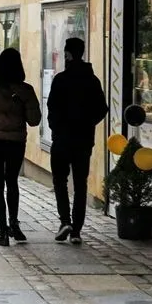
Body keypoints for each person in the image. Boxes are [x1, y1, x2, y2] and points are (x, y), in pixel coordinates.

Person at [0, 48, 41, 247]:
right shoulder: (26, 90)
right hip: (15, 142)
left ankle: (3, 232)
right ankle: (14, 223)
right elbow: (34, 120)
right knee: (12, 182)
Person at [47, 37, 108, 245]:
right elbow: (102, 108)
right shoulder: (92, 80)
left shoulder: (60, 80)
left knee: (60, 181)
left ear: (68, 54)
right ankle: (76, 231)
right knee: (80, 184)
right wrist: (87, 124)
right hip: (83, 140)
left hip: (62, 139)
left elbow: (52, 107)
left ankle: (65, 221)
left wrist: (56, 127)